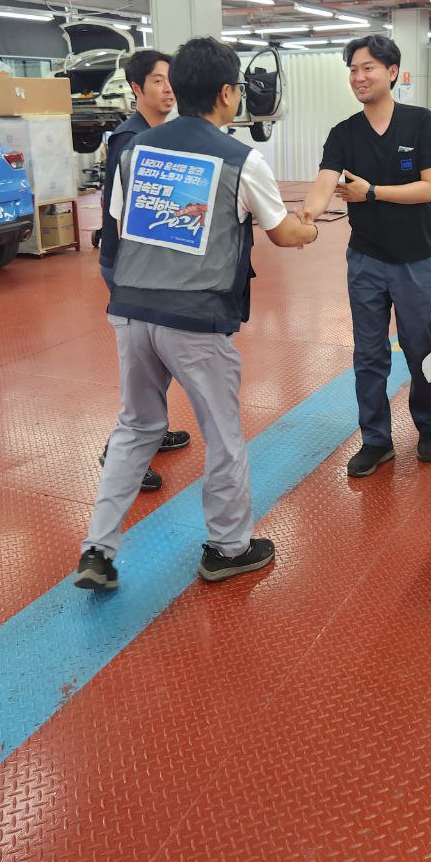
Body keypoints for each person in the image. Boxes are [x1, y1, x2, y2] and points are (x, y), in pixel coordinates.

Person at [75, 36, 318, 591]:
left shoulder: (134, 151)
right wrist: (308, 229)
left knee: (136, 427)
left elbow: (118, 228)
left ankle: (97, 550)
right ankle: (229, 548)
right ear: (228, 93)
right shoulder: (241, 158)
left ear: (179, 88)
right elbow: (283, 234)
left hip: (131, 311)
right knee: (223, 436)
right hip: (195, 319)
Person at [301, 34, 431, 478]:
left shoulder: (420, 123)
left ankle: (428, 427)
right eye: (353, 70)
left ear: (392, 72)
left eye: (368, 68)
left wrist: (373, 192)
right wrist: (306, 215)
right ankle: (376, 440)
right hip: (365, 259)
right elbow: (326, 180)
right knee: (368, 354)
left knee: (421, 349)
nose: (359, 77)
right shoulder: (344, 133)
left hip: (414, 259)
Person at [97, 49, 190, 490]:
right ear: (137, 88)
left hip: (152, 268)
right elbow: (128, 216)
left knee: (155, 358)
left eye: (171, 80)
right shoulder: (128, 139)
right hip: (130, 269)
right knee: (139, 366)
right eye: (157, 81)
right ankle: (121, 450)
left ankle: (153, 430)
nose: (168, 88)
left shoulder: (161, 135)